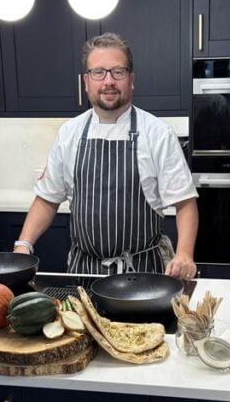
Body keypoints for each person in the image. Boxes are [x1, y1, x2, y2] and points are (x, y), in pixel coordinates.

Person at [12, 33, 199, 279]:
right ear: (86, 81)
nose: (108, 81)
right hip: (84, 272)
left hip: (142, 275)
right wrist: (24, 244)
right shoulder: (69, 133)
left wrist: (184, 254)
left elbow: (185, 203)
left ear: (131, 80)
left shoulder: (157, 133)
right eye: (98, 72)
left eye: (118, 72)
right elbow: (48, 198)